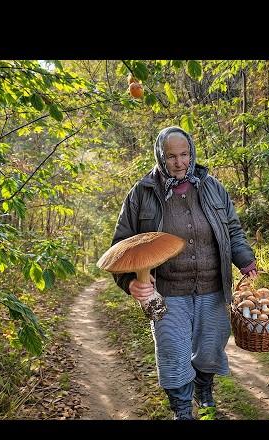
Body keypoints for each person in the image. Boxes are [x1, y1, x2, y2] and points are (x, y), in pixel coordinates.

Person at [110, 126, 257, 420]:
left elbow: (232, 230)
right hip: (167, 292)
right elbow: (121, 246)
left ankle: (204, 389)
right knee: (173, 352)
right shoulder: (142, 193)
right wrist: (129, 283)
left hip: (213, 288)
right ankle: (181, 411)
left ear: (191, 153)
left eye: (184, 154)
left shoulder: (212, 186)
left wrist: (246, 261)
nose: (179, 162)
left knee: (209, 349)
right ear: (160, 157)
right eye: (171, 156)